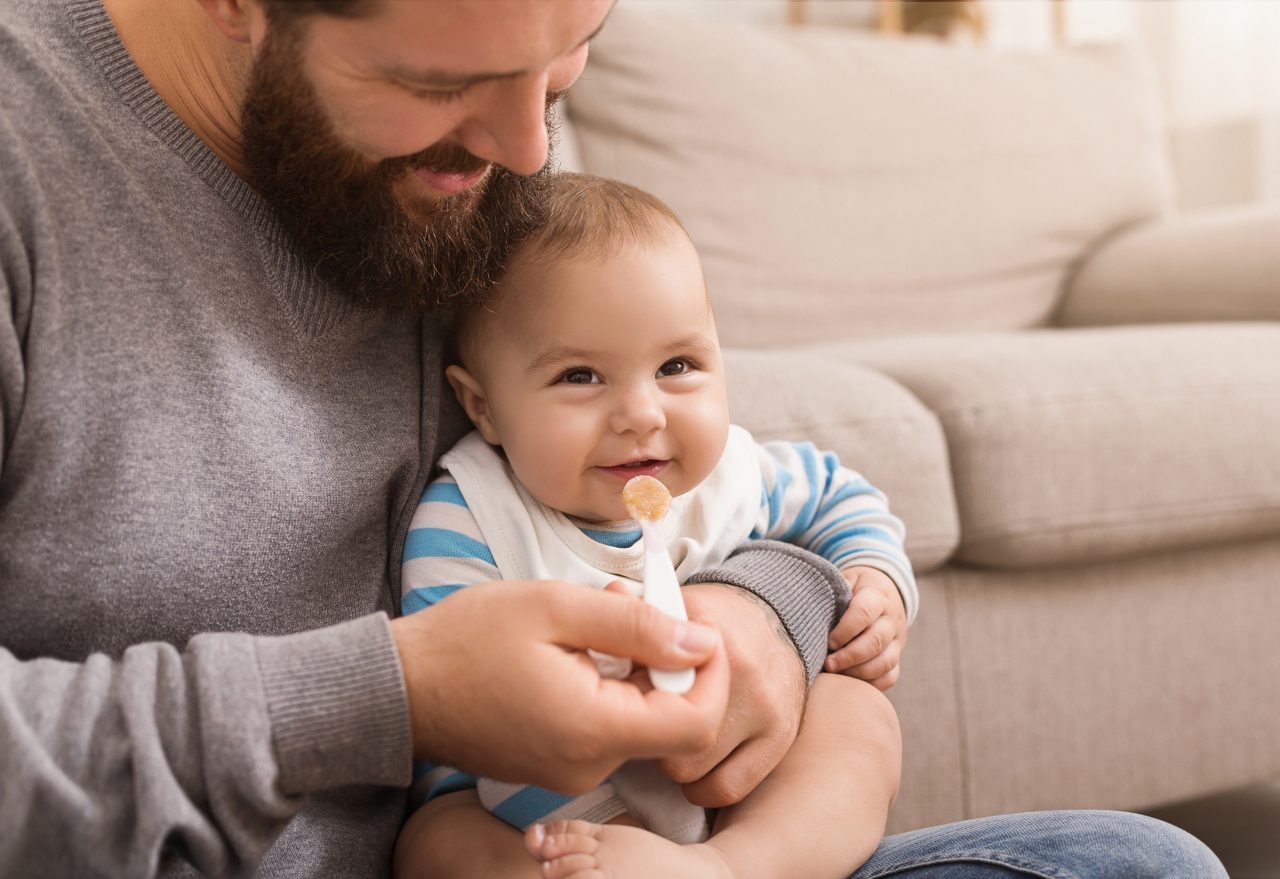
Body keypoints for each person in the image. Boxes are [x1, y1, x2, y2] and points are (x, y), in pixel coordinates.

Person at [0, 0, 1228, 877]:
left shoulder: (483, 157)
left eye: (568, 72)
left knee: (1140, 861)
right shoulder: (27, 168)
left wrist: (769, 603)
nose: (525, 155)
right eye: (440, 88)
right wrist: (399, 696)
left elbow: (697, 483)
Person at [393, 173, 914, 879]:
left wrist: (875, 578)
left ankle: (740, 866)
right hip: (535, 806)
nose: (642, 413)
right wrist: (609, 832)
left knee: (859, 714)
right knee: (437, 839)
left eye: (677, 365)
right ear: (482, 406)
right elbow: (474, 718)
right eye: (581, 376)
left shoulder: (730, 472)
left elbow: (838, 494)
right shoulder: (471, 518)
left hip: (736, 797)